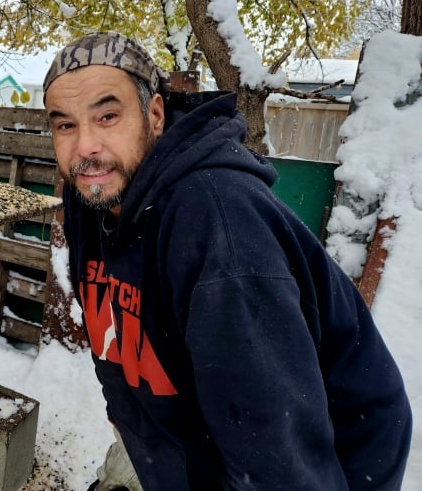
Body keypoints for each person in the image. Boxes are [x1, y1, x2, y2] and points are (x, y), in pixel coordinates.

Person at [43, 31, 412, 491]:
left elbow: (274, 452)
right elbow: (115, 328)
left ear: (154, 115)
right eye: (65, 126)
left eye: (108, 116)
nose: (85, 147)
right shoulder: (93, 197)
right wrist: (128, 415)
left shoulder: (218, 225)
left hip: (328, 458)